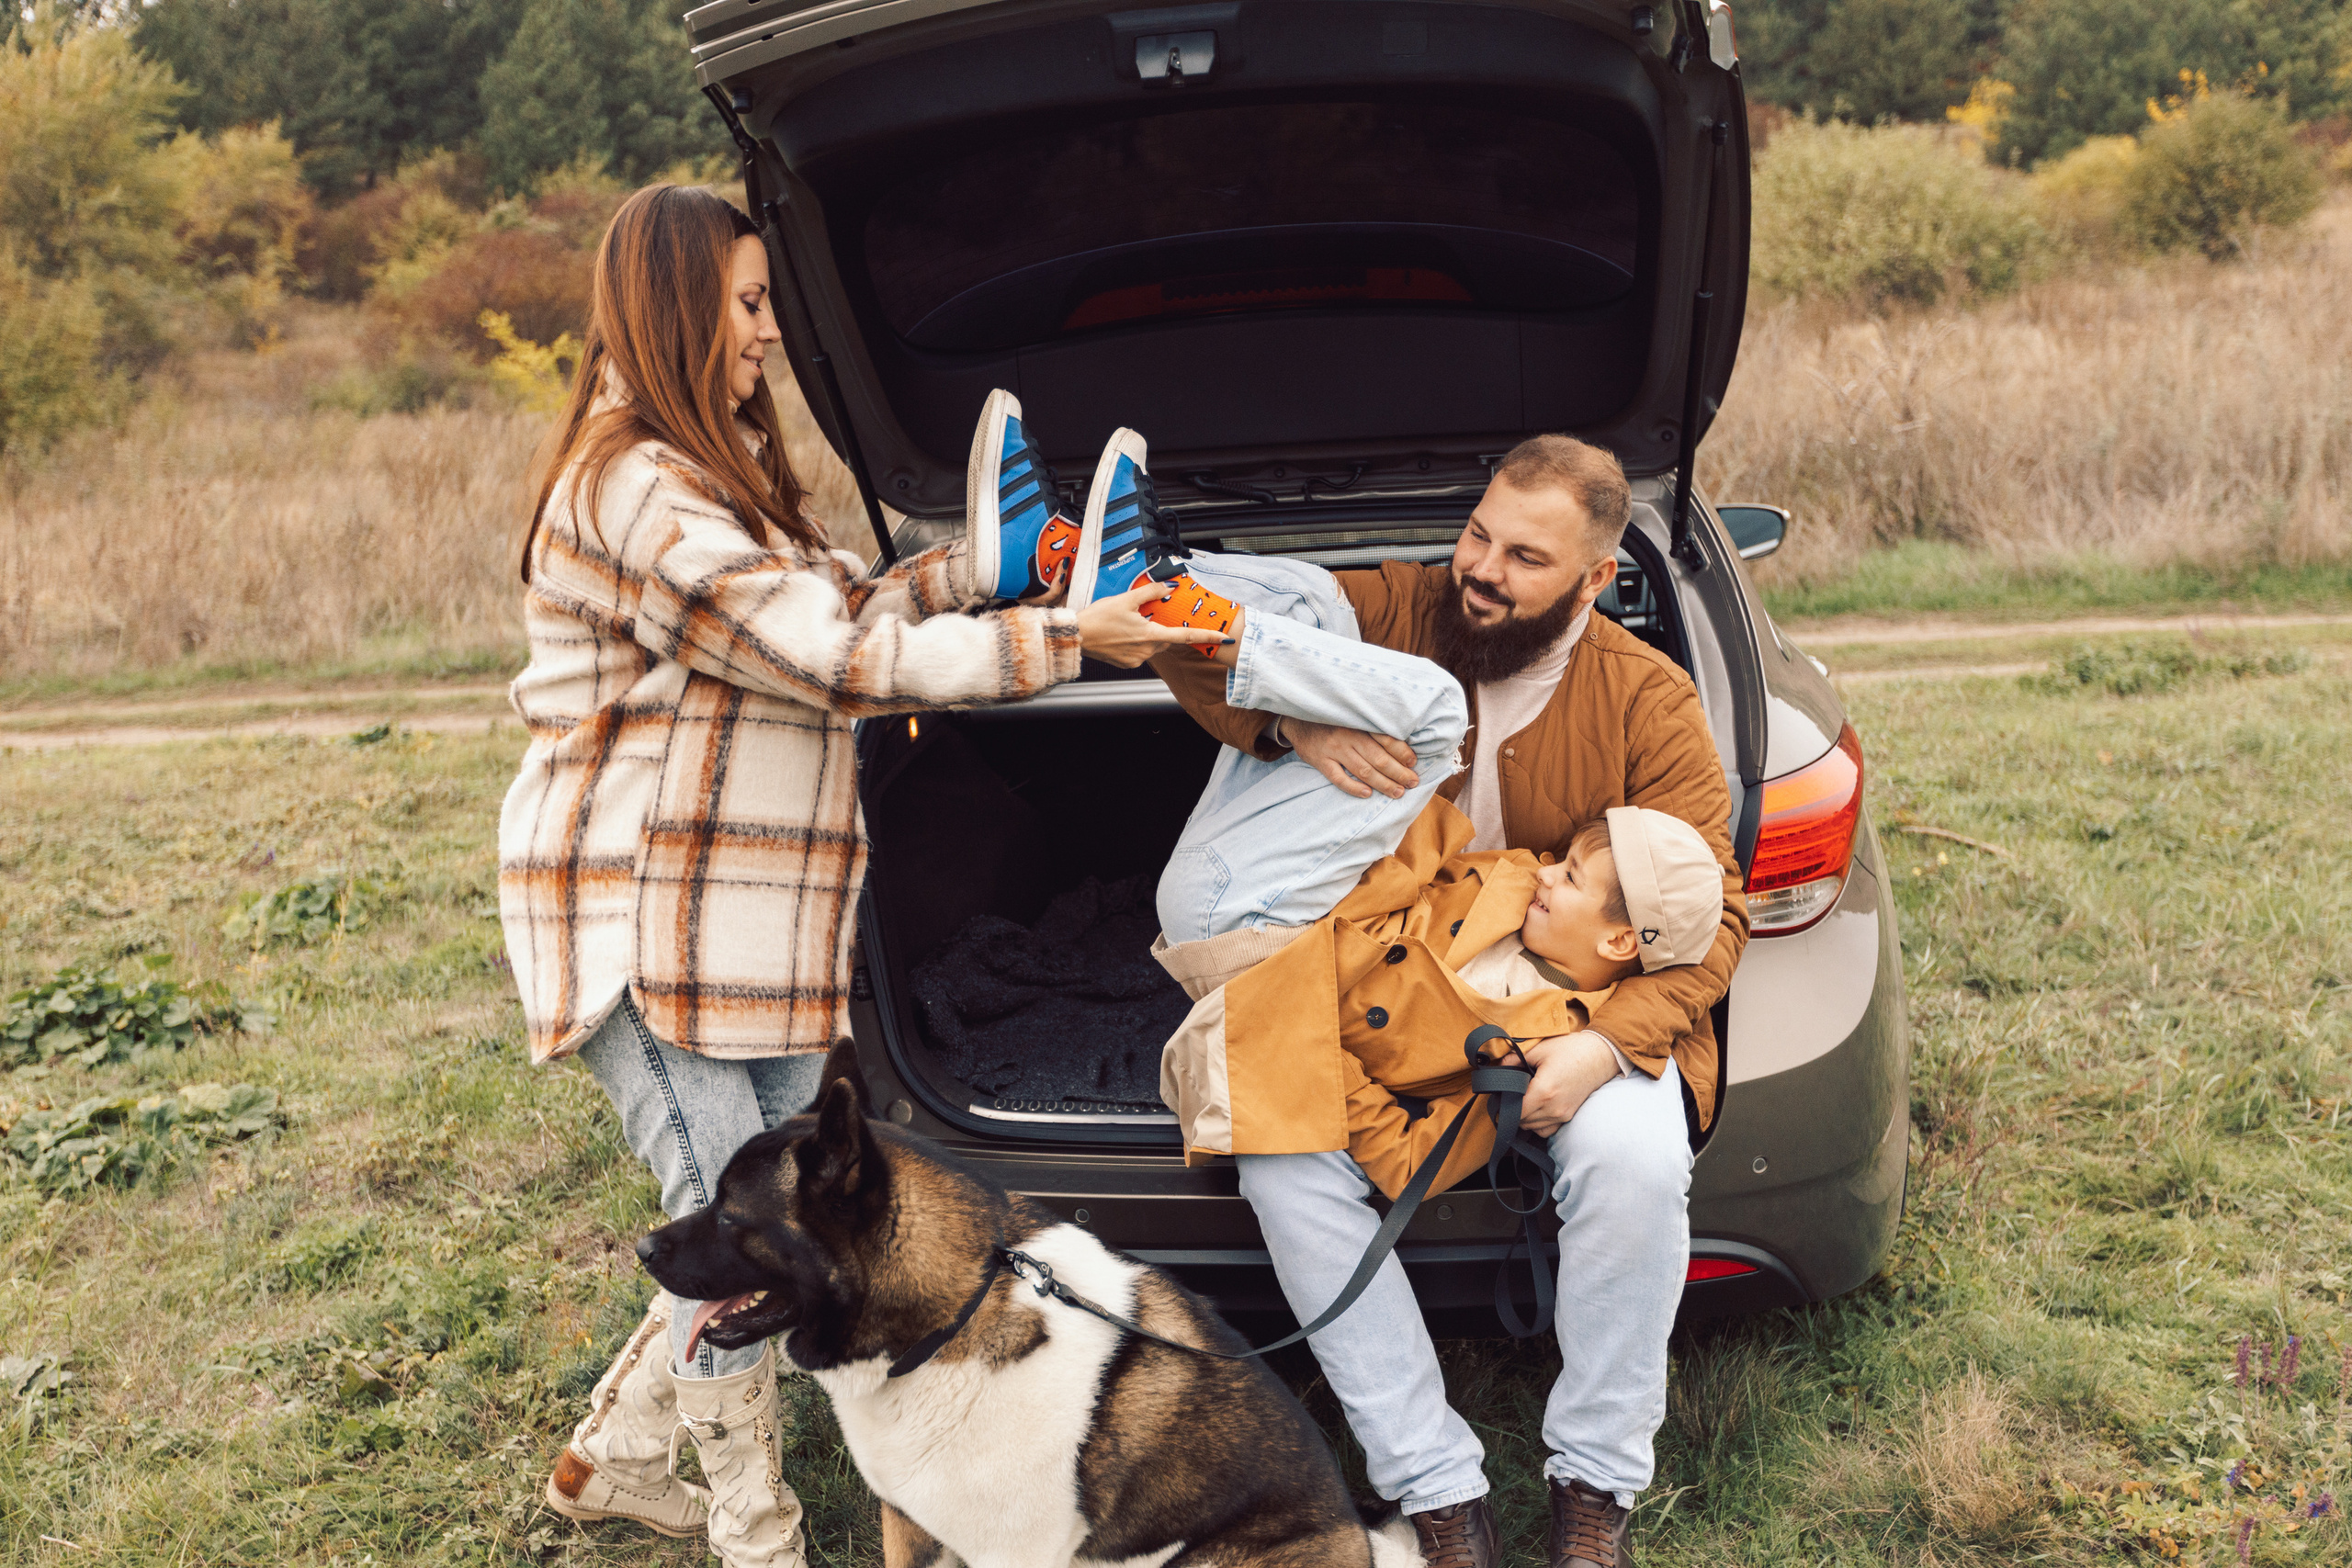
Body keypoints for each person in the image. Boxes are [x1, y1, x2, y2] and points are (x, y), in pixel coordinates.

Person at [495, 191, 1204, 1567]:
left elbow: (837, 605)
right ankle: (758, 1536)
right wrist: (1062, 638)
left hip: (744, 925)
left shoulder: (705, 477)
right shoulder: (635, 485)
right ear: (678, 304)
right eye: (750, 303)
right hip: (649, 922)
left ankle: (613, 1460)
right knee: (743, 1224)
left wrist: (965, 575)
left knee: (767, 1212)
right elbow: (827, 659)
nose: (768, 332)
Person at [1059, 424, 1747, 1568]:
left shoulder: (1647, 699)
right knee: (1286, 1166)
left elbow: (1712, 912)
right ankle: (1435, 1490)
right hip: (1357, 975)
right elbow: (1194, 664)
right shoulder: (1396, 607)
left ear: (1593, 578)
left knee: (1635, 1158)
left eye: (1525, 558)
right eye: (1478, 533)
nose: (1479, 568)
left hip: (1562, 1005)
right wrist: (1289, 720)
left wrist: (1608, 1046)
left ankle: (1594, 1490)